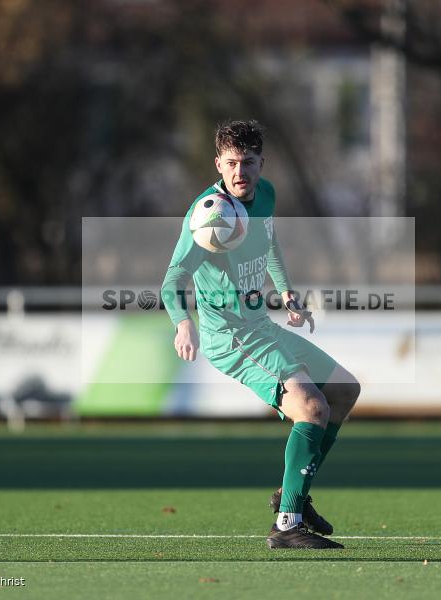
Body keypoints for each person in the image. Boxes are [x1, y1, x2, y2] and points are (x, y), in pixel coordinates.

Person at [161, 119, 361, 550]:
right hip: (231, 338)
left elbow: (269, 244)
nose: (239, 173)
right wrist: (183, 322)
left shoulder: (266, 195)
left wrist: (287, 292)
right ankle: (287, 524)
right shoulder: (207, 215)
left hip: (261, 326)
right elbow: (172, 279)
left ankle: (295, 497)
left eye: (248, 163)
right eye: (231, 163)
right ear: (218, 163)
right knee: (311, 406)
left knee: (344, 390)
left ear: (261, 164)